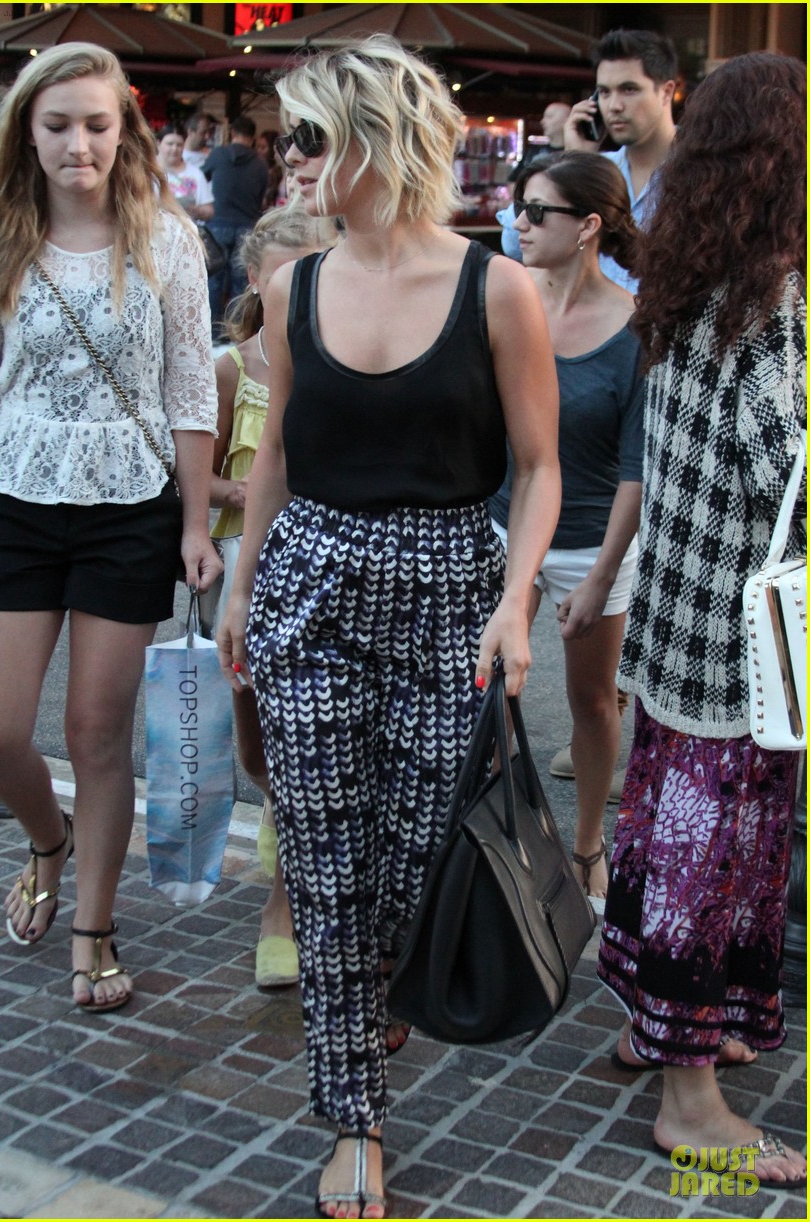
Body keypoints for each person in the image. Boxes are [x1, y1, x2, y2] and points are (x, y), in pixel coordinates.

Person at [217, 34, 561, 1218]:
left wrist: (516, 599)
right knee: (322, 863)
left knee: (414, 861)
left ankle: (380, 988)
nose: (291, 160)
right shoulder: (293, 286)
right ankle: (354, 1118)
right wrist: (242, 586)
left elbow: (539, 466)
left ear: (378, 140)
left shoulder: (495, 288)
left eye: (310, 138)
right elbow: (276, 453)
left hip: (449, 587)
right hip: (312, 584)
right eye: (287, 140)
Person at [597, 52, 806, 1187]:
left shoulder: (684, 285)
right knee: (711, 850)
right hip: (743, 645)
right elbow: (788, 478)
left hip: (678, 621)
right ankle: (691, 1103)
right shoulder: (768, 302)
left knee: (663, 828)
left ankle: (660, 1025)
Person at [0, 44, 221, 1012]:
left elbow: (191, 389)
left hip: (130, 505)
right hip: (15, 496)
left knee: (96, 730)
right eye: (57, 125)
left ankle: (94, 925)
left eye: (97, 124)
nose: (78, 144)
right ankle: (46, 840)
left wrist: (195, 521)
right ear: (26, 131)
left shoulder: (165, 238)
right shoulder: (3, 229)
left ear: (124, 130)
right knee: (1, 729)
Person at [490, 152, 642, 915]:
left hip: (591, 539)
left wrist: (601, 574)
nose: (517, 222)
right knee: (485, 691)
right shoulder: (503, 297)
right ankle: (496, 842)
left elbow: (636, 470)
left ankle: (587, 844)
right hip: (501, 524)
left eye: (535, 210)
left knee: (591, 699)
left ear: (586, 226)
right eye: (516, 205)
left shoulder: (636, 327)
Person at [211, 205, 336, 989]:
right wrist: (246, 495)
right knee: (256, 749)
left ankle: (283, 906)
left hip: (322, 571)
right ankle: (273, 807)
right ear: (257, 280)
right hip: (245, 566)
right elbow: (200, 472)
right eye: (290, 273)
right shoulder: (231, 366)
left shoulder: (348, 348)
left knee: (305, 750)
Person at [564, 28, 678, 293]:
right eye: (604, 92)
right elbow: (515, 241)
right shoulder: (595, 170)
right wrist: (575, 162)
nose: (614, 106)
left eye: (629, 89)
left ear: (666, 92)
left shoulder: (704, 171)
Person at [202, 114, 271, 339]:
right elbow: (261, 198)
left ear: (232, 133)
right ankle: (235, 334)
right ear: (252, 137)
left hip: (217, 224)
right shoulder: (260, 164)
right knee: (241, 284)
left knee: (213, 281)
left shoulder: (217, 155)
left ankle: (213, 334)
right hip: (246, 226)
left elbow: (201, 180)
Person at [497, 101, 572, 261]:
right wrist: (526, 204)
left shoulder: (578, 155)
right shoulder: (534, 152)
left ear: (567, 119)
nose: (543, 121)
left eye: (550, 116)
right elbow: (513, 182)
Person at [157, 125, 213, 221]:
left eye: (179, 145)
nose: (174, 149)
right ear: (158, 144)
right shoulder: (146, 171)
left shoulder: (195, 173)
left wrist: (195, 210)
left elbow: (209, 210)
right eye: (170, 144)